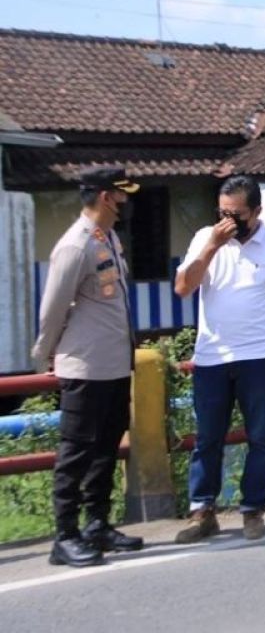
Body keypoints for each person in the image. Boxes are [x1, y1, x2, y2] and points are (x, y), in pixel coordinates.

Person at [173, 175, 265, 543]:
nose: (228, 222)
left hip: (262, 355)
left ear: (257, 212)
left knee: (261, 437)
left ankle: (253, 508)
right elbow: (184, 287)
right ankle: (202, 511)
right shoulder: (206, 238)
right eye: (222, 213)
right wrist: (211, 248)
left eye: (236, 215)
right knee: (208, 438)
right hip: (213, 355)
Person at [31, 167, 145, 568]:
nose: (127, 201)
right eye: (121, 194)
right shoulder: (74, 245)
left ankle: (97, 522)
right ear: (104, 196)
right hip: (84, 366)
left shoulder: (107, 238)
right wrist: (46, 353)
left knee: (106, 448)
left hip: (114, 362)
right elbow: (53, 307)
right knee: (76, 451)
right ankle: (65, 535)